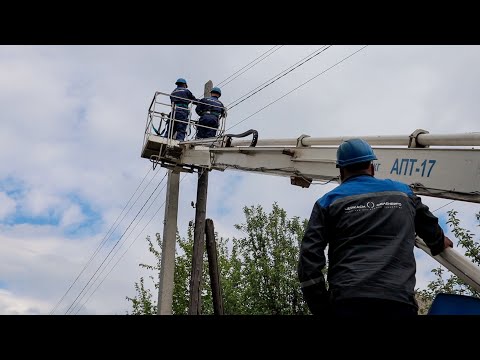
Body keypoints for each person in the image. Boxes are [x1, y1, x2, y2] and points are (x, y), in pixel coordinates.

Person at [298, 138, 453, 316]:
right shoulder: (404, 193)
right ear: (371, 167)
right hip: (398, 301)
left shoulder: (328, 202)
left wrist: (321, 308)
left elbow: (309, 259)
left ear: (341, 171)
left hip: (347, 302)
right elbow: (429, 225)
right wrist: (439, 241)